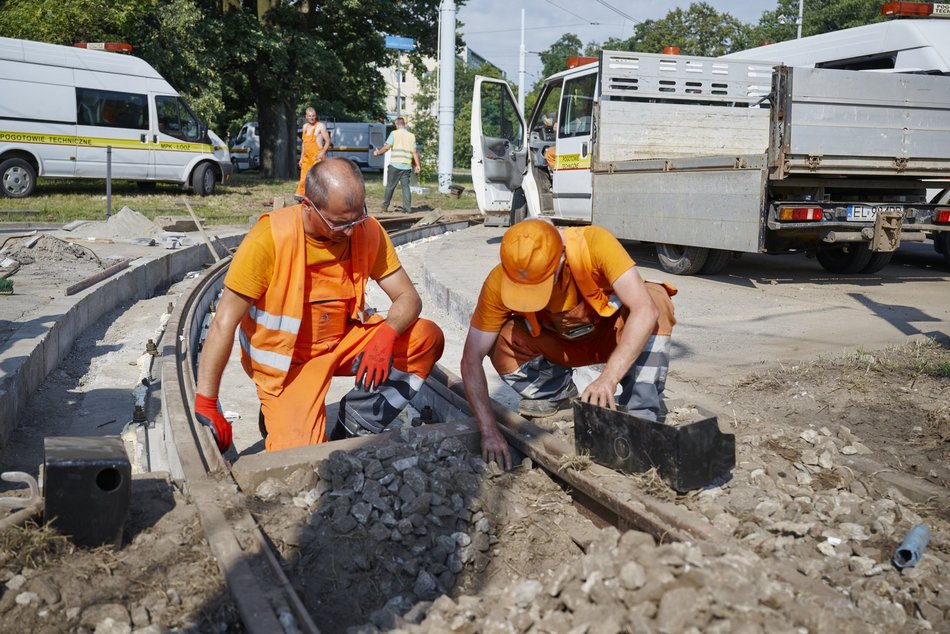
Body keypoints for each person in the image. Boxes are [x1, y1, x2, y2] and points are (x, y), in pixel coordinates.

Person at [195, 158, 445, 453]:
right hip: (289, 363)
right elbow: (223, 321)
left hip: (343, 341)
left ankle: (356, 422)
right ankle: (282, 409)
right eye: (339, 224)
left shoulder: (366, 230)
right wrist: (207, 402)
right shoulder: (270, 239)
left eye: (356, 219)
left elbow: (408, 297)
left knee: (425, 337)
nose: (349, 231)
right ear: (308, 205)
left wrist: (386, 335)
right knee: (300, 456)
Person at [460, 219, 676, 470]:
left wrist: (608, 378)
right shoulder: (499, 281)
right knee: (500, 339)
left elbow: (644, 310)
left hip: (613, 338)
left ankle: (641, 416)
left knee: (655, 303)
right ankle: (556, 393)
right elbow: (471, 359)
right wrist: (488, 430)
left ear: (562, 257)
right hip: (560, 346)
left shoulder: (595, 245)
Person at [373, 117, 421, 213]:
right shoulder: (411, 136)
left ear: (397, 125)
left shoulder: (394, 133)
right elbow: (415, 152)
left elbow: (386, 147)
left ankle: (384, 207)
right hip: (406, 166)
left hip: (394, 165)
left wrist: (377, 153)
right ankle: (407, 208)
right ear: (404, 124)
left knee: (390, 187)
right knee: (406, 187)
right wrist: (417, 165)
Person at [295, 107, 330, 198]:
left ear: (316, 116)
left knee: (316, 180)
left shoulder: (320, 126)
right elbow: (304, 144)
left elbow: (328, 141)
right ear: (306, 116)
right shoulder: (305, 127)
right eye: (310, 116)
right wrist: (301, 158)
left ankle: (318, 199)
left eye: (313, 116)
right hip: (306, 158)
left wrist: (322, 152)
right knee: (303, 179)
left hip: (317, 157)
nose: (312, 118)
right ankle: (302, 198)